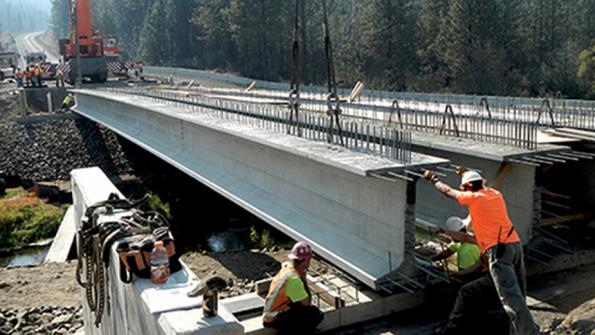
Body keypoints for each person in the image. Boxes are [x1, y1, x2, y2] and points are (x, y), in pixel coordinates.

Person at [424, 169, 539, 335]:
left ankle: (529, 333)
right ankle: (520, 331)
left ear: (470, 186)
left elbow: (448, 192)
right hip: (514, 245)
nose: (462, 191)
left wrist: (434, 179)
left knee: (510, 297)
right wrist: (465, 172)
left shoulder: (475, 198)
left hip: (498, 250)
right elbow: (482, 184)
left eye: (464, 188)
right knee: (519, 293)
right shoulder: (495, 194)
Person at [263, 241, 324, 334]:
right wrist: (303, 278)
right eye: (309, 259)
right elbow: (307, 303)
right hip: (275, 317)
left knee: (303, 311)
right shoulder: (294, 280)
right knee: (314, 314)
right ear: (305, 260)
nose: (310, 262)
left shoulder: (288, 268)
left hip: (272, 312)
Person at [432, 216, 481, 282]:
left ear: (455, 234)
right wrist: (433, 258)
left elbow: (465, 274)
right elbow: (447, 252)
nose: (451, 237)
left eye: (452, 235)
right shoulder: (462, 240)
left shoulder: (466, 251)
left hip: (472, 278)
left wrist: (453, 274)